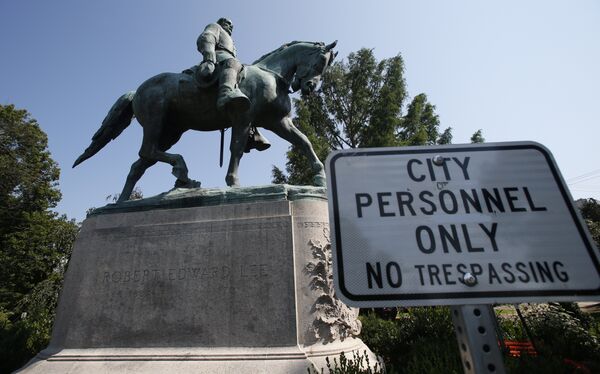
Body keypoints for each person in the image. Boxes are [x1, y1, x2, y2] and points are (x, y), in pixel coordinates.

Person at [197, 17, 270, 152]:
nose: (231, 27)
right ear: (221, 23)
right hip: (219, 58)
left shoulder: (232, 43)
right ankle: (225, 93)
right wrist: (209, 56)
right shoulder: (215, 27)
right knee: (234, 63)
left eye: (232, 26)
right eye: (228, 24)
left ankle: (251, 133)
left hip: (229, 63)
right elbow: (207, 37)